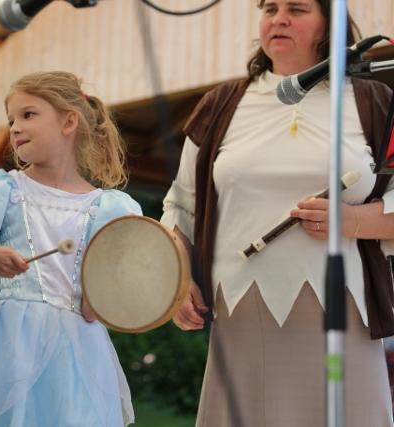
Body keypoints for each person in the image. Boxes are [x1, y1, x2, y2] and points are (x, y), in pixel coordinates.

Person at [161, 0, 394, 425]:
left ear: (329, 23)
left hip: (346, 308)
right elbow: (181, 204)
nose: (279, 18)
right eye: (270, 8)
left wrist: (355, 221)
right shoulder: (222, 104)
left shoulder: (376, 102)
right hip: (241, 312)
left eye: (297, 9)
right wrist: (177, 277)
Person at [0, 71, 139, 426]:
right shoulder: (1, 190)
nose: (15, 128)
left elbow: (93, 308)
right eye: (11, 120)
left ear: (69, 122)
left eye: (28, 114)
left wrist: (107, 294)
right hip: (4, 348)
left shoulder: (109, 210)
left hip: (77, 358)